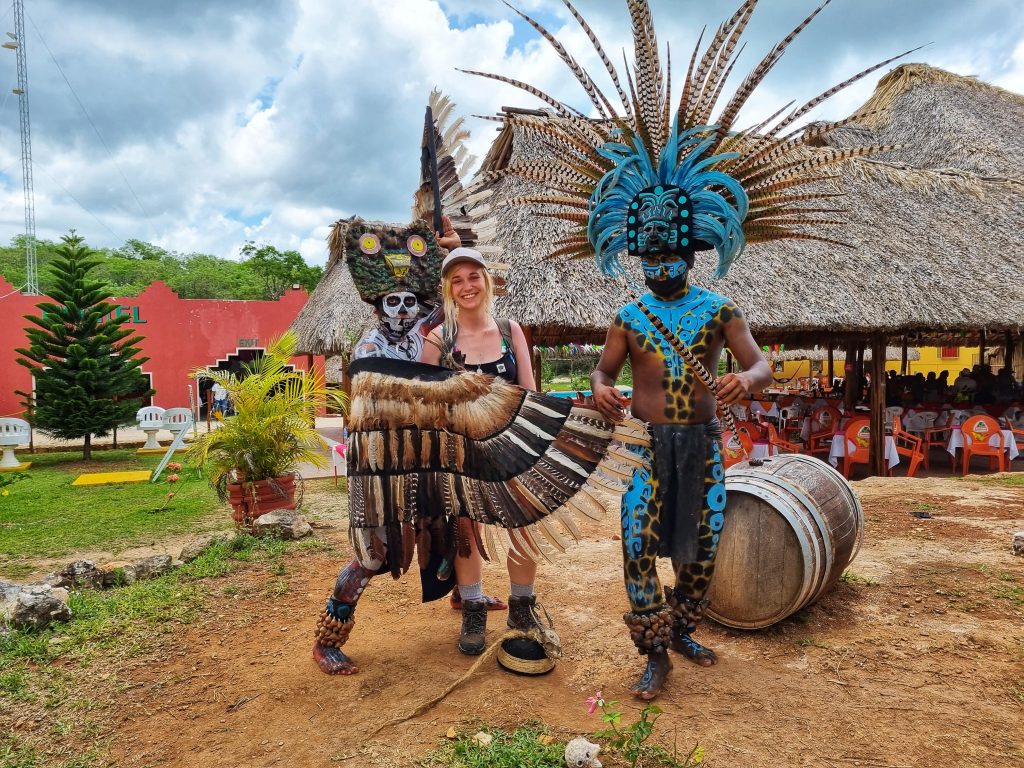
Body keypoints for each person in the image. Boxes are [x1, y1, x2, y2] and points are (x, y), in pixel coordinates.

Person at [420, 248, 547, 662]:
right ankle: (473, 610)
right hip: (460, 456)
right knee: (466, 533)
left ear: (486, 281)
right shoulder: (439, 340)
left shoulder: (511, 332)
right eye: (457, 280)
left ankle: (522, 609)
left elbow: (529, 391)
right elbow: (424, 403)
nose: (467, 286)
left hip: (512, 451)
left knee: (522, 529)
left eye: (474, 276)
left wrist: (532, 446)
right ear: (448, 289)